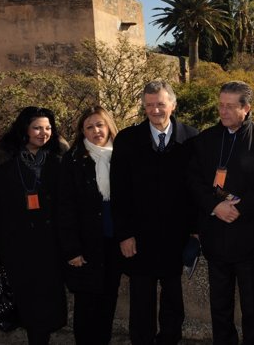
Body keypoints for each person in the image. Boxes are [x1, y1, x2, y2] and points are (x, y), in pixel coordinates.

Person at [189, 81, 254, 345]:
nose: (223, 111)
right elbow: (194, 180)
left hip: (250, 235)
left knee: (253, 307)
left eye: (230, 106)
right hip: (216, 234)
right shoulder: (205, 139)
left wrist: (239, 208)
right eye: (221, 105)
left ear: (247, 108)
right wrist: (216, 206)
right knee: (219, 305)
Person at [110, 81, 198, 345]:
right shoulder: (127, 139)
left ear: (173, 104)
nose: (155, 110)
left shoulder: (192, 138)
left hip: (176, 236)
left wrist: (195, 232)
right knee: (141, 300)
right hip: (139, 237)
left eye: (160, 104)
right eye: (149, 105)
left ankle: (170, 340)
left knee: (173, 298)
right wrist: (124, 234)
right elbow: (119, 191)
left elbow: (197, 190)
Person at [0, 106, 68, 344]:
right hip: (16, 243)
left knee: (46, 299)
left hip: (50, 242)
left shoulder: (59, 158)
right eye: (37, 128)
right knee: (25, 298)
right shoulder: (4, 160)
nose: (43, 133)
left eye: (48, 128)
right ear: (25, 129)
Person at [58, 106, 121, 344]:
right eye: (90, 127)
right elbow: (65, 208)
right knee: (86, 304)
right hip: (86, 243)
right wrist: (72, 249)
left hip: (114, 242)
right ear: (82, 131)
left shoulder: (121, 156)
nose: (96, 131)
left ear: (109, 126)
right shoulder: (73, 160)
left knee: (108, 302)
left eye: (100, 125)